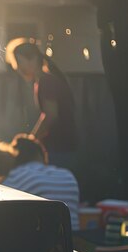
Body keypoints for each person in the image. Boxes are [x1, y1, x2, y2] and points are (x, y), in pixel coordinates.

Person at [5, 38, 77, 170]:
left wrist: (31, 140)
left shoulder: (46, 82)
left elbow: (51, 115)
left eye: (19, 62)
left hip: (58, 148)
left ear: (32, 60)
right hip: (62, 146)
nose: (17, 69)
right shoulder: (45, 80)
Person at [3, 134, 80, 231]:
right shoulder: (67, 175)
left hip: (40, 244)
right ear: (41, 155)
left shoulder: (15, 177)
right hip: (73, 242)